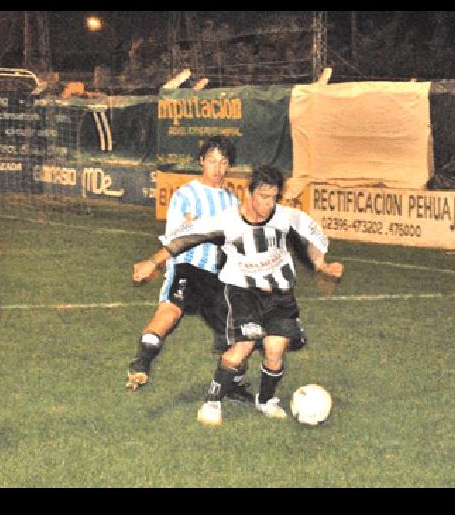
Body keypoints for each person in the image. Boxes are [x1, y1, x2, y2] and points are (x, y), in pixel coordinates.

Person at [133, 164, 343, 426]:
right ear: (249, 193)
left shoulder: (286, 217)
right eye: (264, 197)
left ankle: (265, 400)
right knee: (243, 346)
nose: (269, 204)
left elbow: (312, 240)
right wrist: (152, 262)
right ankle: (211, 403)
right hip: (243, 293)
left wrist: (322, 265)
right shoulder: (227, 221)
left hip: (280, 295)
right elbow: (183, 240)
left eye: (274, 197)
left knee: (275, 349)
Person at [126, 136, 254, 404]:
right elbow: (174, 238)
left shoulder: (231, 200)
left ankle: (232, 385)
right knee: (171, 310)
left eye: (223, 162)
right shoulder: (186, 194)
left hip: (217, 276)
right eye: (211, 161)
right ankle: (142, 362)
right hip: (187, 267)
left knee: (238, 334)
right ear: (201, 162)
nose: (217, 168)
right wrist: (156, 262)